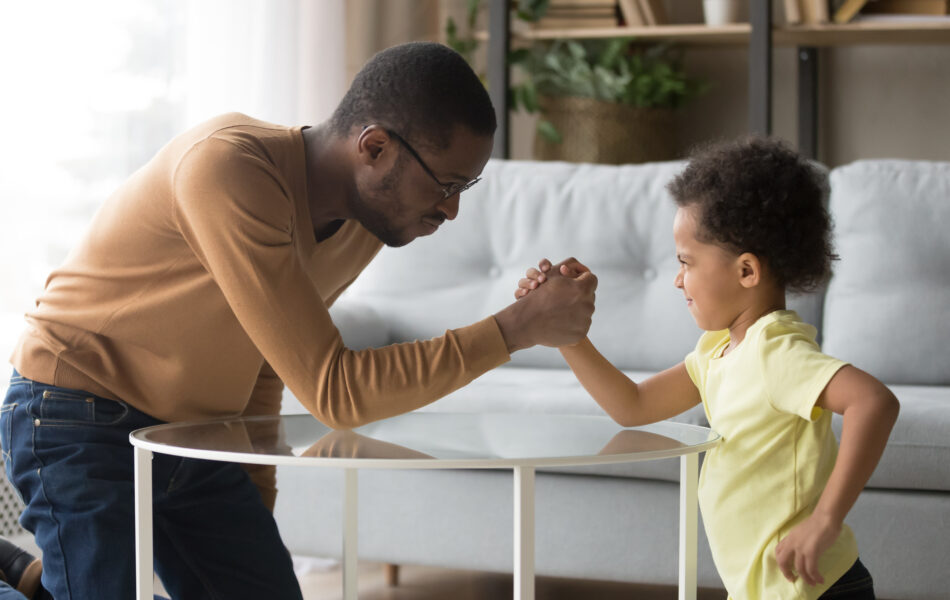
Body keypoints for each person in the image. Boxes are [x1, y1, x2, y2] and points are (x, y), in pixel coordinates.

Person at [0, 42, 597, 599]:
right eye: (444, 183)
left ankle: (33, 577)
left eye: (466, 186)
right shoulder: (228, 169)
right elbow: (336, 390)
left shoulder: (368, 222)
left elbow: (271, 355)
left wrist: (255, 503)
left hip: (196, 436)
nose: (451, 208)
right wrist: (515, 328)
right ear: (374, 147)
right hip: (75, 413)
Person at [516, 138, 899, 600]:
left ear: (747, 272)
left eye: (685, 262)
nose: (677, 278)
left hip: (815, 590)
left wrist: (825, 519)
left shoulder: (774, 350)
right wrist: (568, 334)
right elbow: (632, 406)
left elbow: (873, 401)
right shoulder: (717, 351)